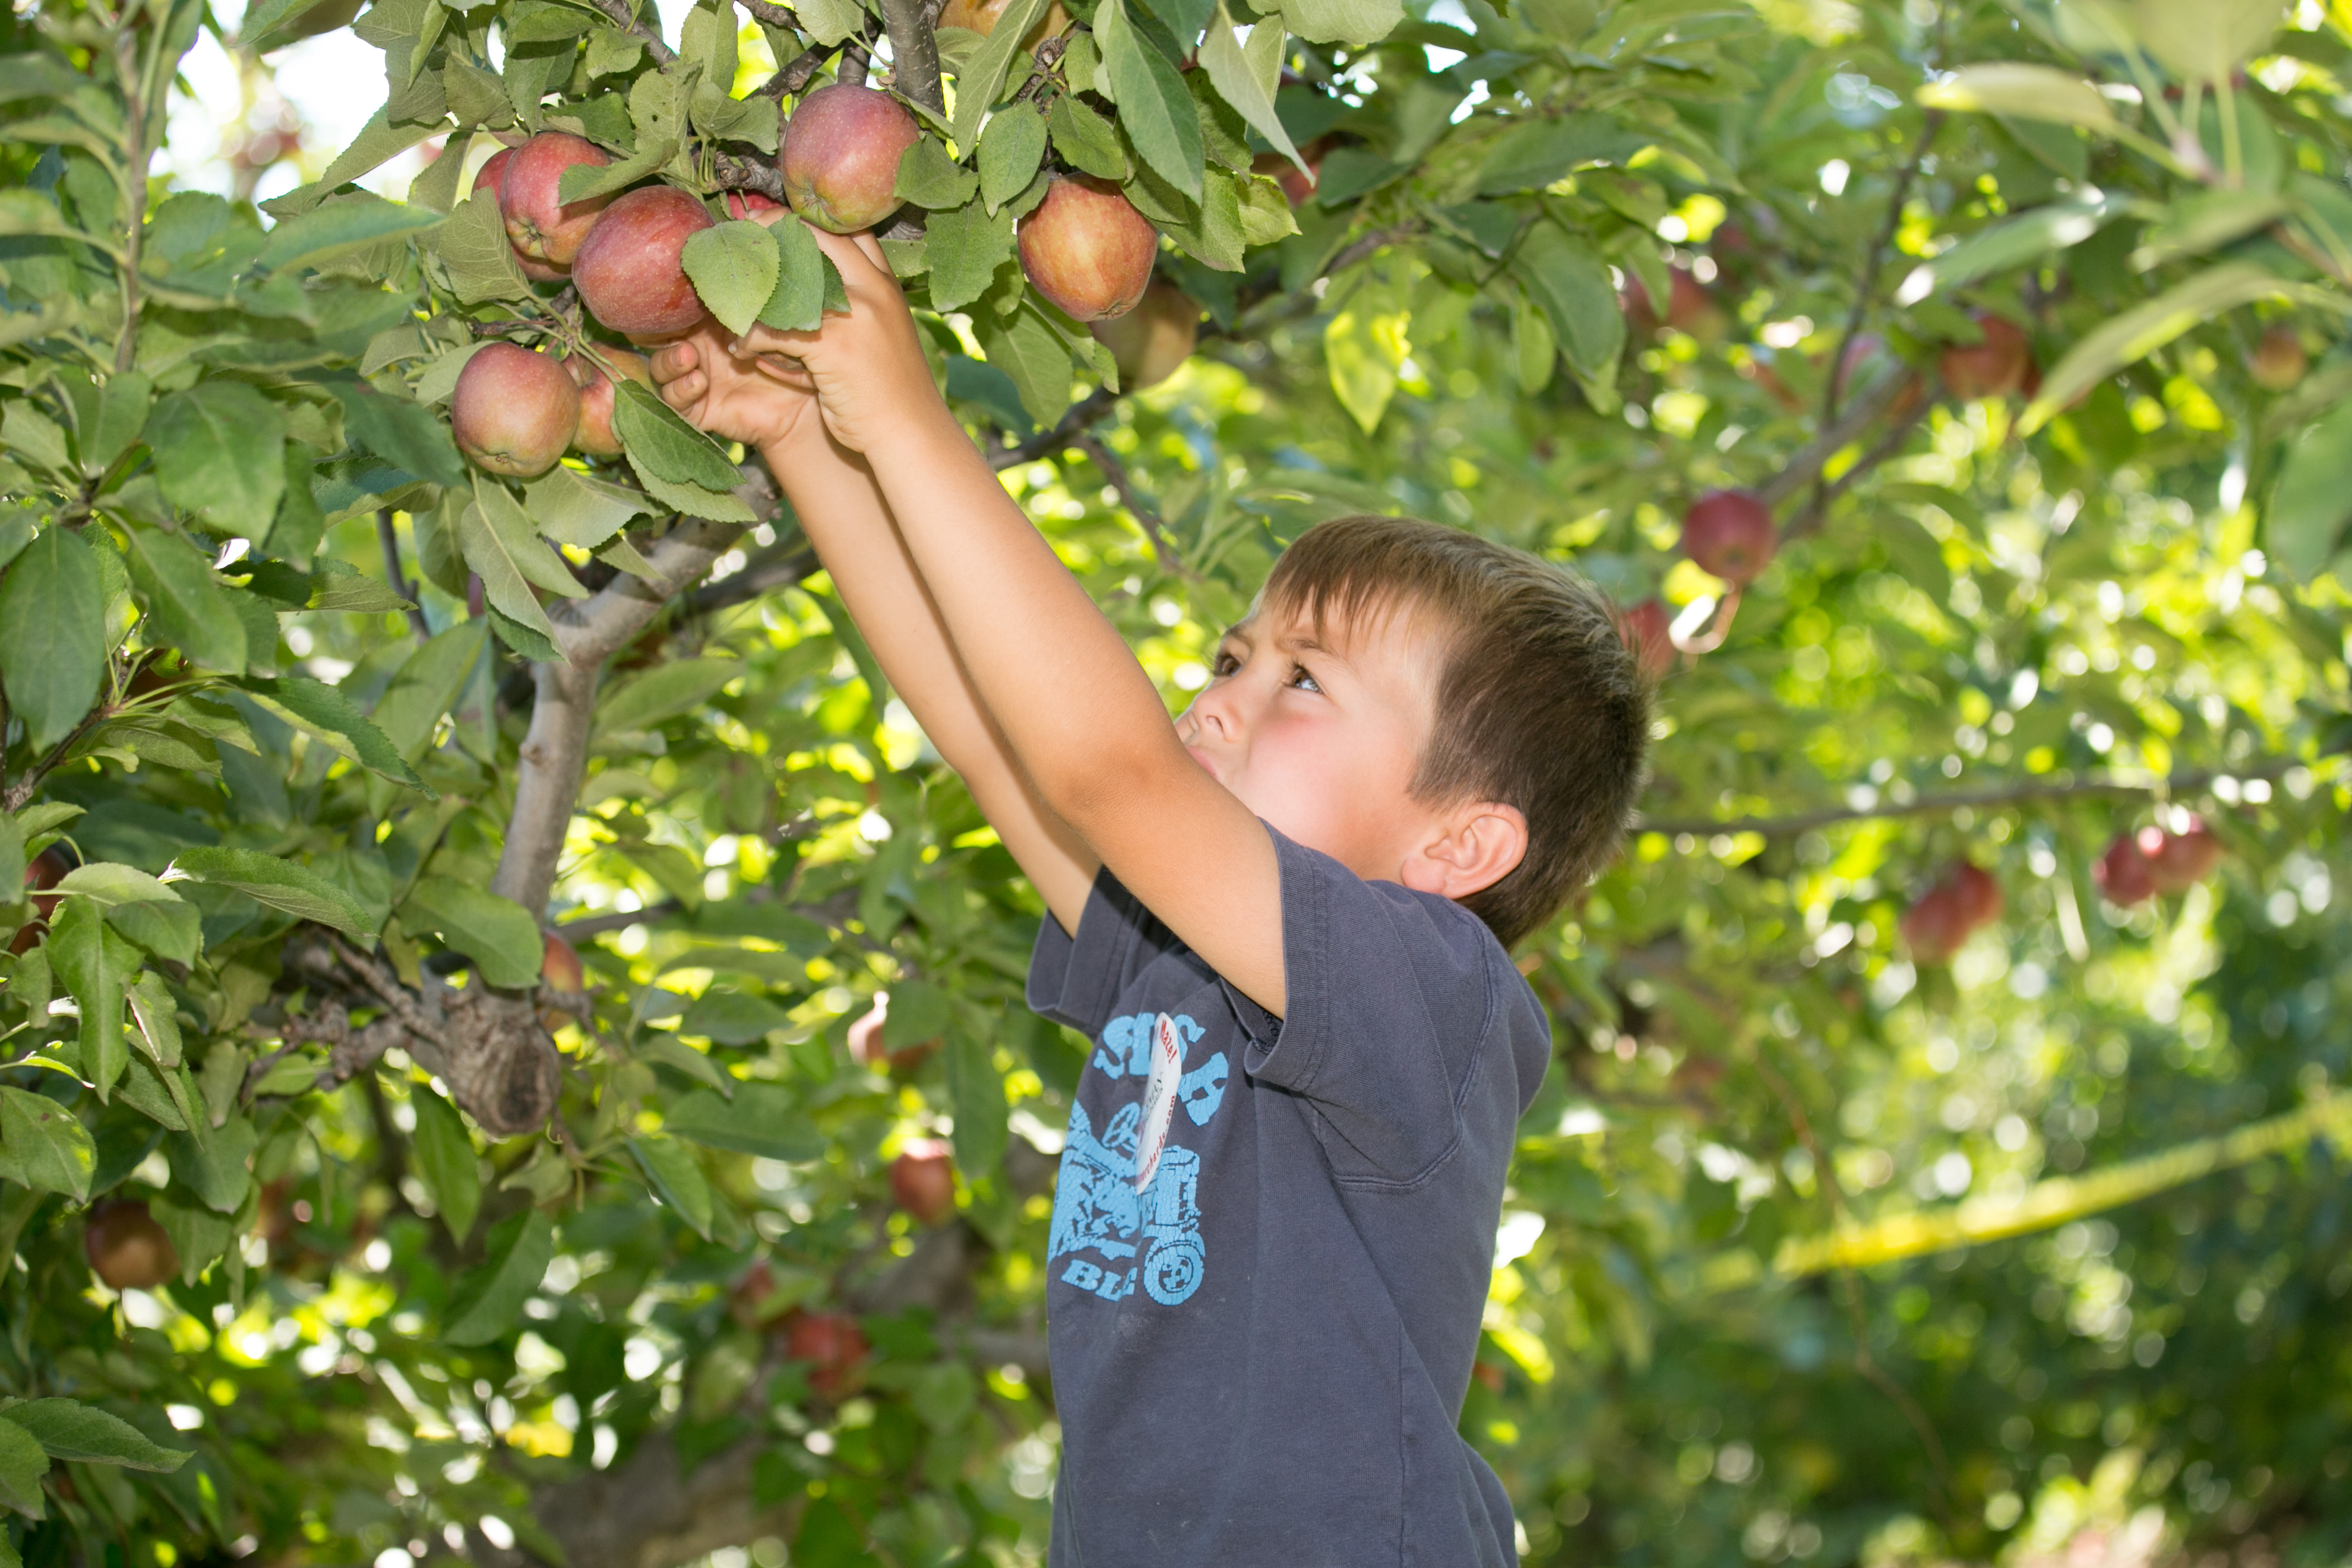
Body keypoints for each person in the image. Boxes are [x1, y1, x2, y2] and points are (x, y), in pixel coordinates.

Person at [647, 224, 1652, 1567]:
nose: (1215, 702)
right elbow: (996, 740)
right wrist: (803, 438)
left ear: (1457, 850)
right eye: (1233, 654)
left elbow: (1106, 766)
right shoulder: (1179, 958)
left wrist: (903, 415)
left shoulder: (1429, 988)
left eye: (1300, 682)